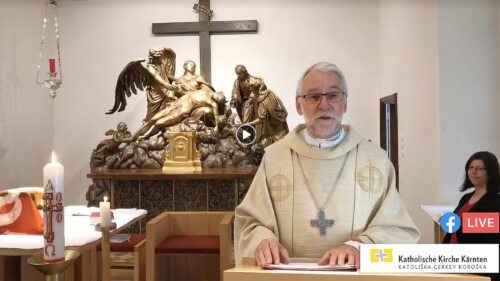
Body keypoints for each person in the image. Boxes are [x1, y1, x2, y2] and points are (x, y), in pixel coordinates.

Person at [234, 62, 420, 268]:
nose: (324, 105)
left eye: (333, 95)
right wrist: (262, 239)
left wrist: (360, 246)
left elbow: (399, 229)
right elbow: (250, 221)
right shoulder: (275, 158)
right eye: (313, 96)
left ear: (345, 103)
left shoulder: (375, 160)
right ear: (298, 105)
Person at [443, 151, 500, 244]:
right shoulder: (465, 198)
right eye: (471, 167)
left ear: (490, 174)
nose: (473, 171)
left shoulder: (495, 203)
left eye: (479, 168)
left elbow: (491, 240)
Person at [125, 90, 226, 142]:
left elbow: (216, 117)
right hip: (176, 104)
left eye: (218, 100)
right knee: (152, 119)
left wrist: (217, 127)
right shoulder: (206, 89)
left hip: (181, 111)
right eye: (218, 97)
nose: (216, 98)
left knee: (159, 122)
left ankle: (145, 136)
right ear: (219, 93)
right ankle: (132, 138)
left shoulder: (213, 103)